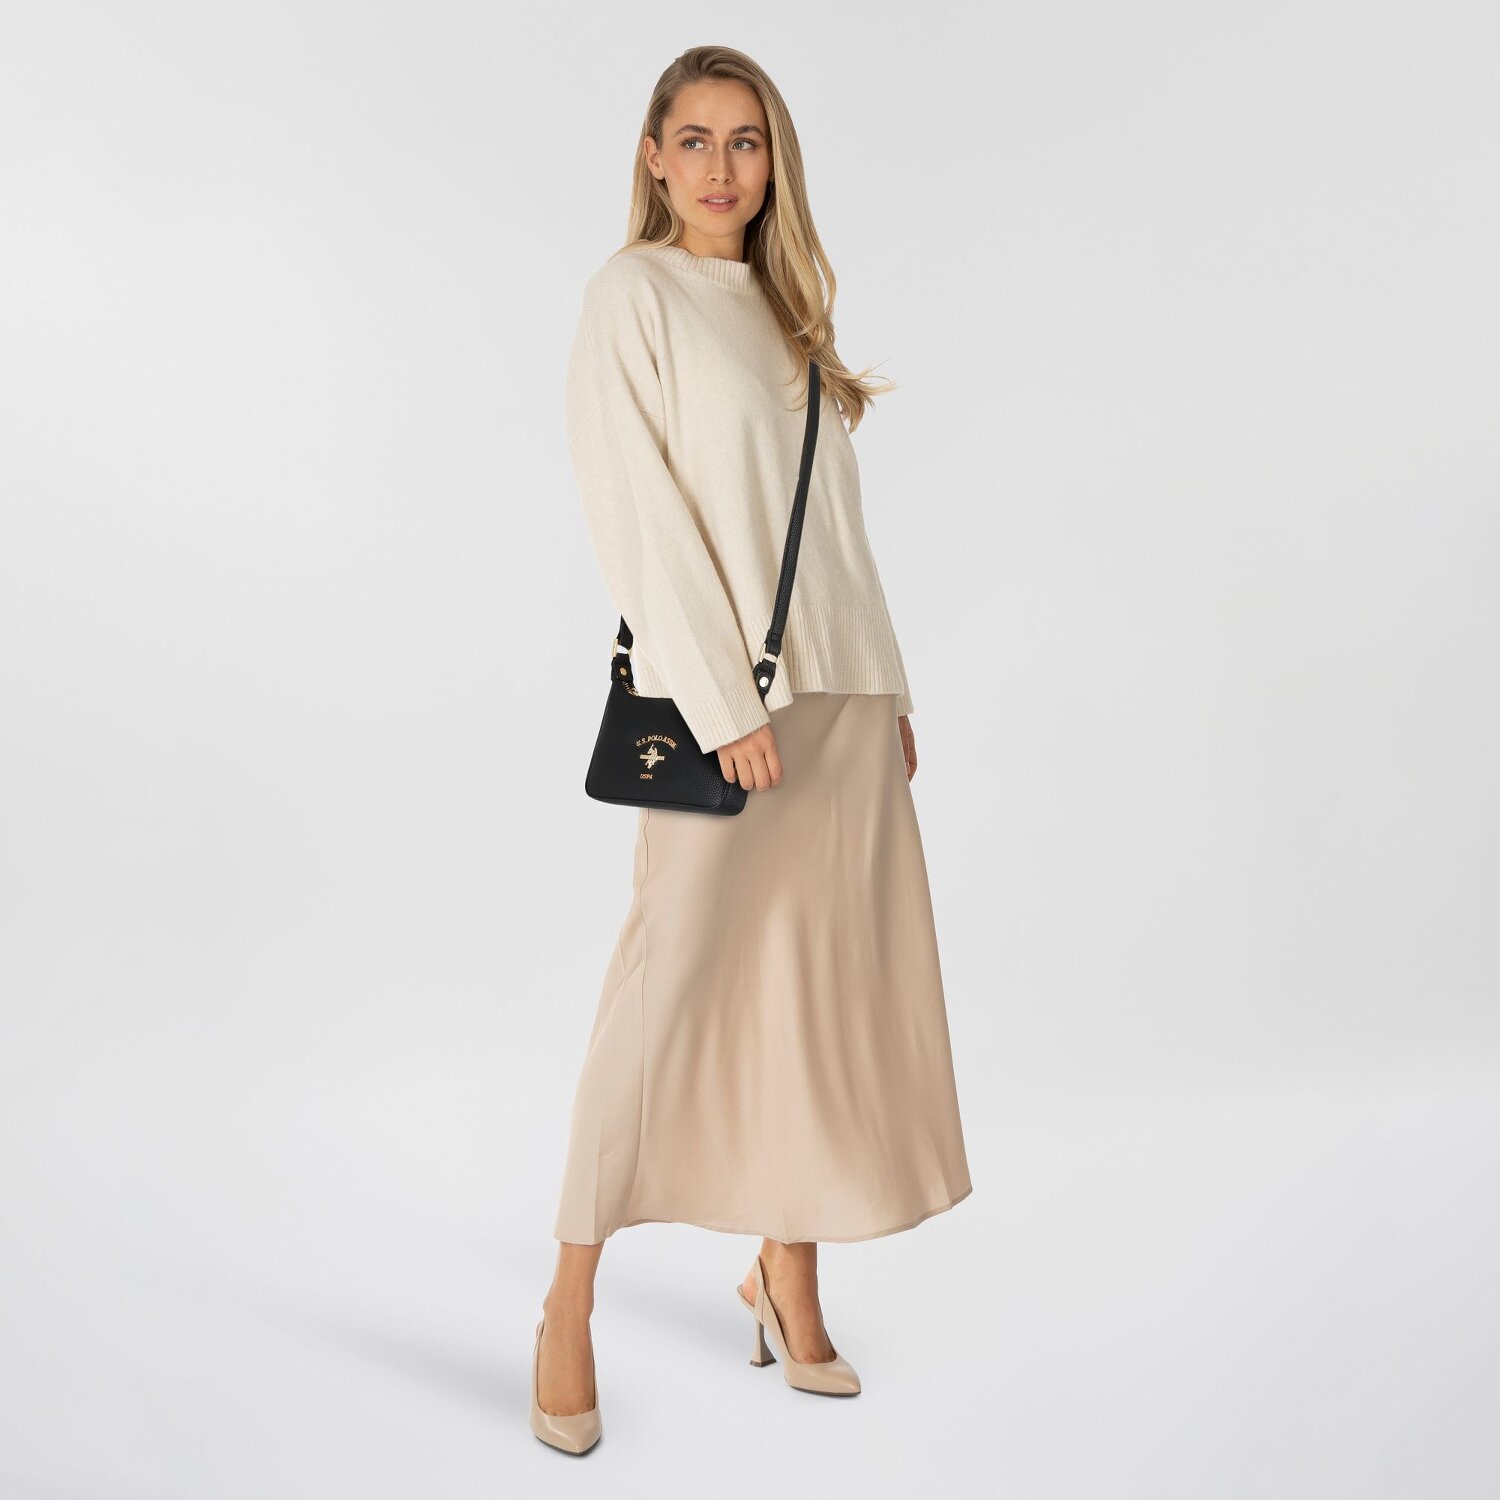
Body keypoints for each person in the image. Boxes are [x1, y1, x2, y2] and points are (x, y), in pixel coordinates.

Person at [530, 45, 972, 1455]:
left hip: (842, 701)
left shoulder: (789, 313)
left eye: (747, 141)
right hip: (728, 712)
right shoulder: (632, 297)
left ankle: (787, 1272)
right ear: (653, 156)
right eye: (696, 139)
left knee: (817, 991)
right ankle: (566, 1302)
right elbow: (635, 514)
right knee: (662, 992)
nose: (721, 167)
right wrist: (724, 704)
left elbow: (832, 533)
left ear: (774, 162)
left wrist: (887, 689)